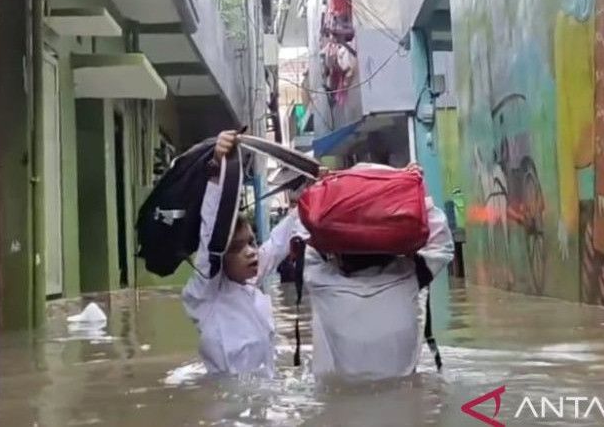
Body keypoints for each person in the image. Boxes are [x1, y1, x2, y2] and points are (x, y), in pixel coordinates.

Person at [299, 162, 455, 382]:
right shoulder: (410, 276)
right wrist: (417, 190)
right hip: (404, 404)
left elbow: (309, 232)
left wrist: (322, 188)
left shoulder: (322, 282)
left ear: (336, 252)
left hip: (342, 405)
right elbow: (442, 243)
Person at [181, 130, 299, 377]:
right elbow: (209, 235)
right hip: (227, 407)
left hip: (264, 399)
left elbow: (278, 242)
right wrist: (216, 169)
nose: (250, 252)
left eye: (251, 243)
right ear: (220, 258)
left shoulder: (250, 284)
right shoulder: (206, 296)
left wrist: (313, 196)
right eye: (237, 248)